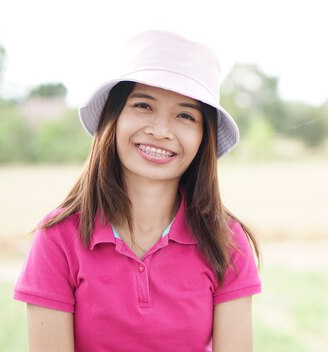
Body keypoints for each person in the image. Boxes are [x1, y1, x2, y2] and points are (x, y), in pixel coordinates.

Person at [13, 30, 261, 352]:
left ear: (204, 136)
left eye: (185, 115)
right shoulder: (59, 237)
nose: (160, 131)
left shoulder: (226, 241)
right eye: (143, 105)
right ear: (113, 118)